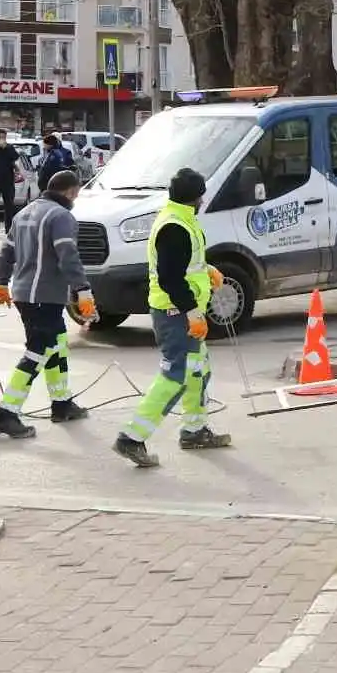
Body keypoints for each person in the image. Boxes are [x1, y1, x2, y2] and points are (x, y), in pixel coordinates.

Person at [114, 167, 231, 467]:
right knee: (176, 375)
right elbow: (170, 277)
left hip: (182, 310)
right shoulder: (175, 226)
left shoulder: (179, 219)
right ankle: (132, 438)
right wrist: (192, 312)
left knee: (198, 371)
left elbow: (183, 265)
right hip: (175, 312)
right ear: (197, 197)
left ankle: (194, 431)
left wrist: (208, 270)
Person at [0, 169, 95, 439]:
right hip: (43, 296)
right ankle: (6, 413)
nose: (75, 198)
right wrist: (83, 290)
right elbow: (67, 255)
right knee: (38, 351)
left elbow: (6, 252)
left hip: (25, 294)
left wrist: (1, 282)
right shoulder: (61, 216)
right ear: (70, 192)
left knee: (56, 346)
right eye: (76, 194)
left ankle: (61, 403)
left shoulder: (24, 213)